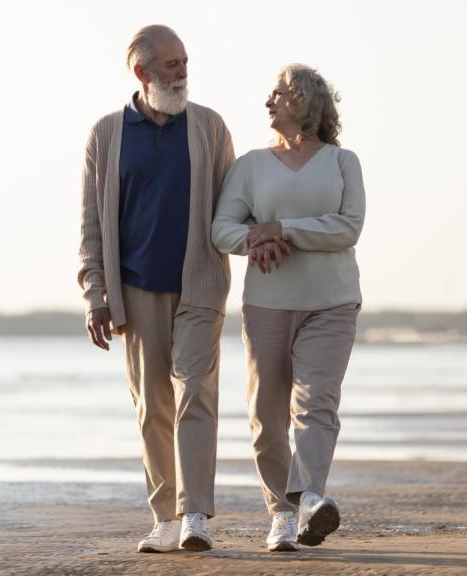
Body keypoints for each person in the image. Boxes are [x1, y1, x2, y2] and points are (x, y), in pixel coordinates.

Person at [77, 24, 234, 552]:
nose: (183, 71)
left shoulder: (210, 127)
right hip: (135, 288)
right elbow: (91, 225)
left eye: (185, 61)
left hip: (200, 284)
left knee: (195, 392)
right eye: (171, 64)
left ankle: (194, 516)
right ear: (141, 72)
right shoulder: (106, 134)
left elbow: (234, 208)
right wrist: (95, 295)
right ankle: (164, 517)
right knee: (153, 406)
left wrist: (264, 232)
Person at [211, 64, 365, 552]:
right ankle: (280, 512)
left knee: (316, 401)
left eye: (278, 93)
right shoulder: (252, 165)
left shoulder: (343, 162)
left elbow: (349, 227)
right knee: (267, 414)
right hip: (267, 303)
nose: (269, 102)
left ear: (305, 102)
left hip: (332, 302)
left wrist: (284, 229)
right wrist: (254, 240)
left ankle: (313, 500)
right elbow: (222, 229)